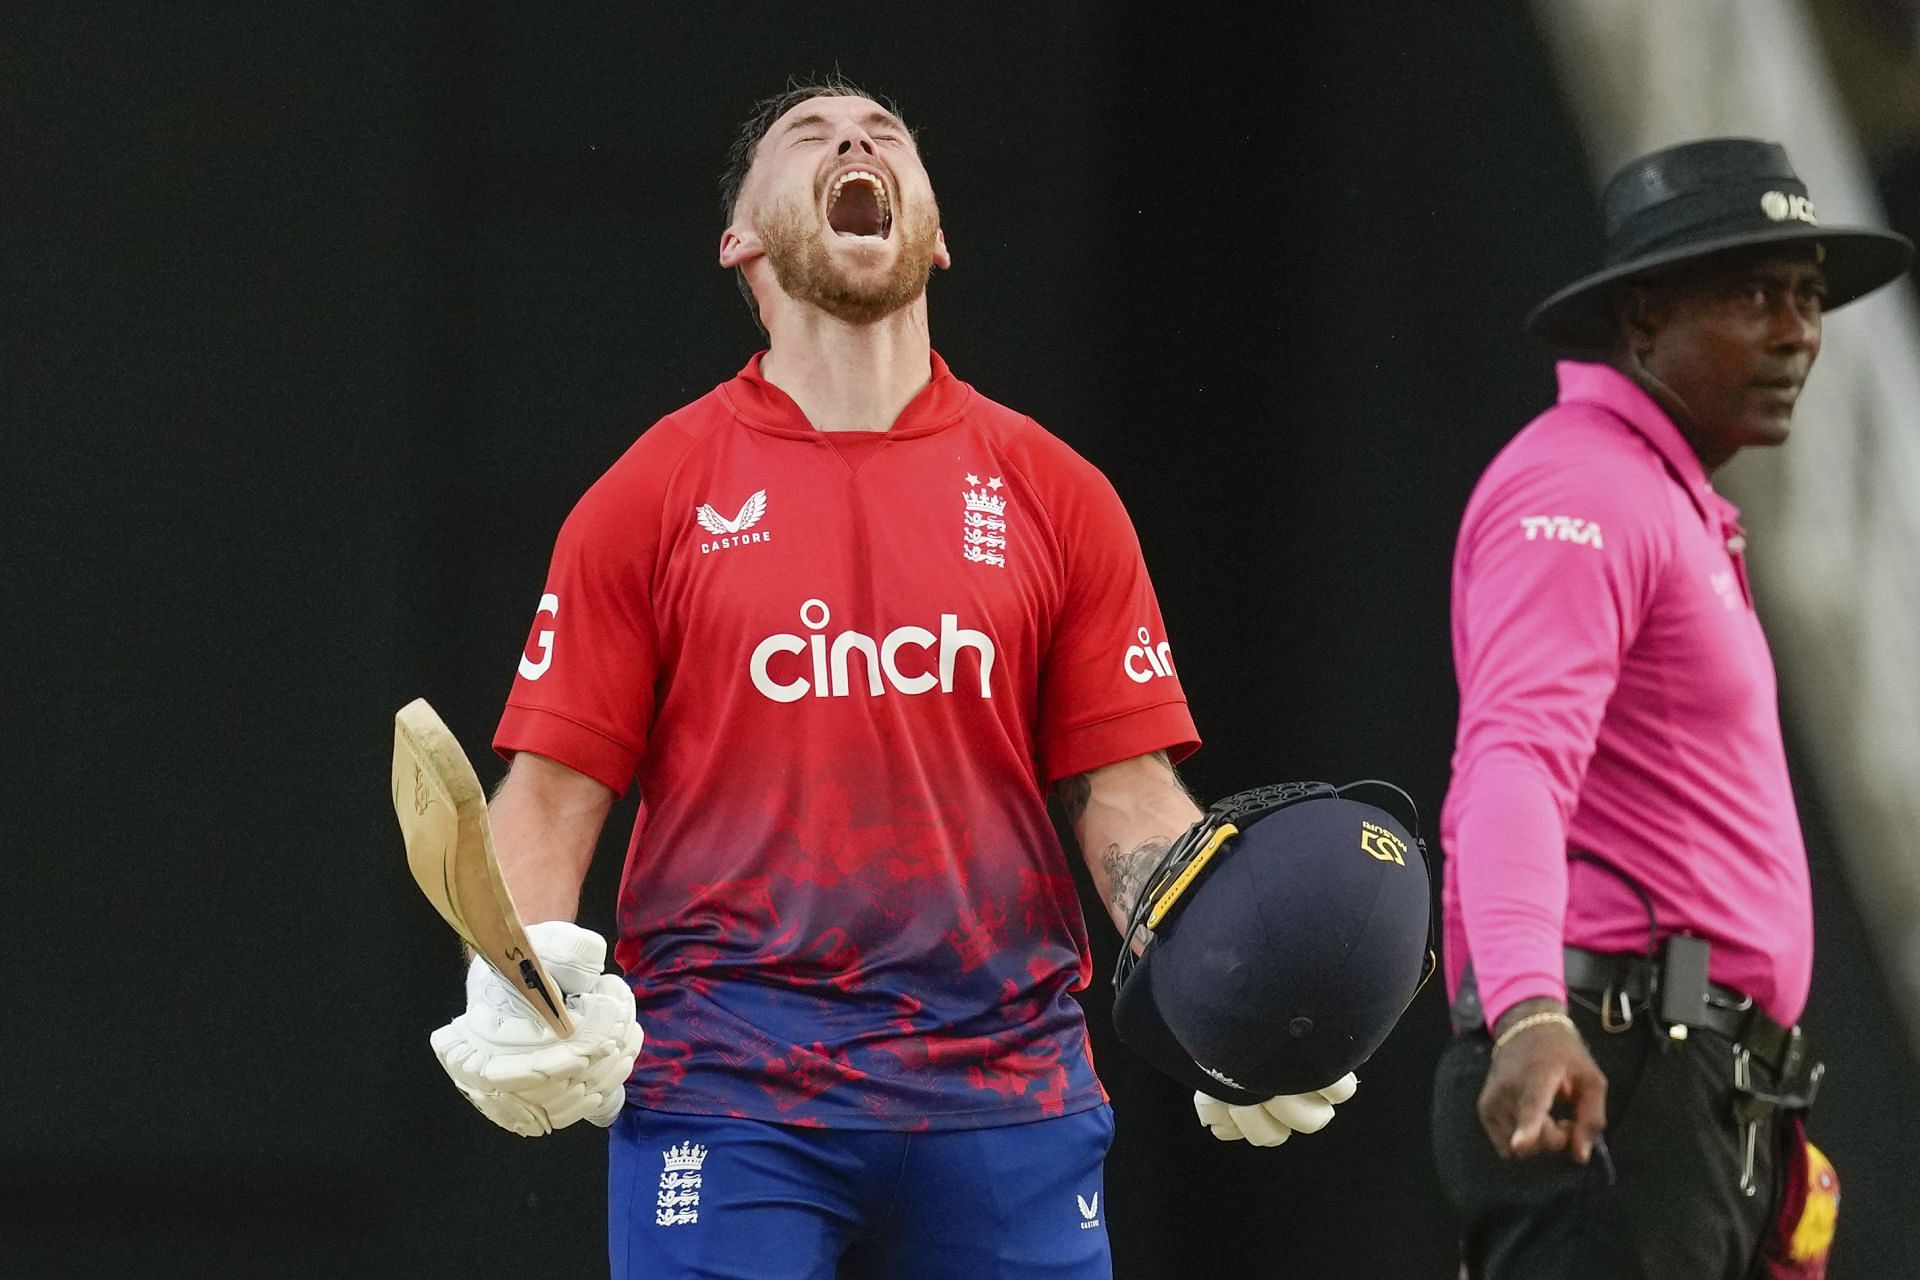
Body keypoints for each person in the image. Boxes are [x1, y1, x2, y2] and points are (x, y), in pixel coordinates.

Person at [424, 77, 1355, 1280]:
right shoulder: (650, 492)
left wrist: (1233, 982)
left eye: (886, 137)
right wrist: (510, 982)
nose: (855, 140)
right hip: (729, 1089)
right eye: (809, 137)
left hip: (1009, 1093)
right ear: (740, 240)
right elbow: (550, 795)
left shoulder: (1057, 493)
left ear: (935, 230)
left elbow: (1125, 799)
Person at [1430, 137, 1911, 1278]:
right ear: (1642, 318)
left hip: (1689, 1087)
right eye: (1754, 295)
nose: (1799, 332)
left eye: (1807, 298)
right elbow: (1509, 763)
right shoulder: (1580, 484)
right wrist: (1530, 1012)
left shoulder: (1663, 498)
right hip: (1610, 1070)